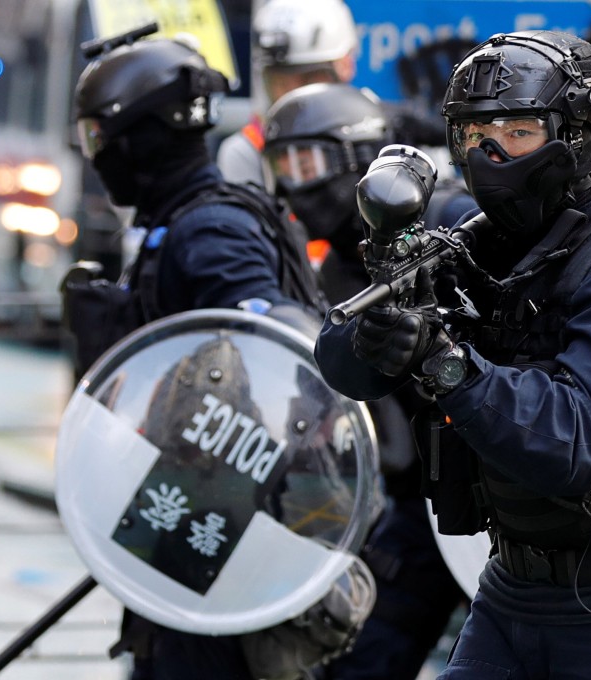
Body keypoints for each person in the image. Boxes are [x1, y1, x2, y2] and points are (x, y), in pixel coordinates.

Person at [314, 30, 591, 680]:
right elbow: (341, 366)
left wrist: (442, 360)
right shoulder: (486, 245)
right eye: (473, 133)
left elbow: (575, 445)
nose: (489, 153)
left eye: (517, 130)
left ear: (577, 134)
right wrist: (380, 330)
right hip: (510, 587)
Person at [66, 27, 372, 680]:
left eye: (98, 137)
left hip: (226, 518)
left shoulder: (211, 227)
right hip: (184, 505)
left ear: (141, 136)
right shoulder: (173, 220)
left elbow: (280, 355)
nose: (94, 155)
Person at [263, 81, 475, 679]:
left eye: (308, 161)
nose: (296, 184)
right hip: (418, 500)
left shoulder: (452, 220)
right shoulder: (336, 267)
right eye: (284, 166)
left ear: (361, 155)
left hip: (502, 481)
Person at [216, 0, 358, 185]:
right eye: (279, 82)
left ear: (345, 65)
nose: (292, 96)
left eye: (308, 79)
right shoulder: (248, 150)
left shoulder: (382, 137)